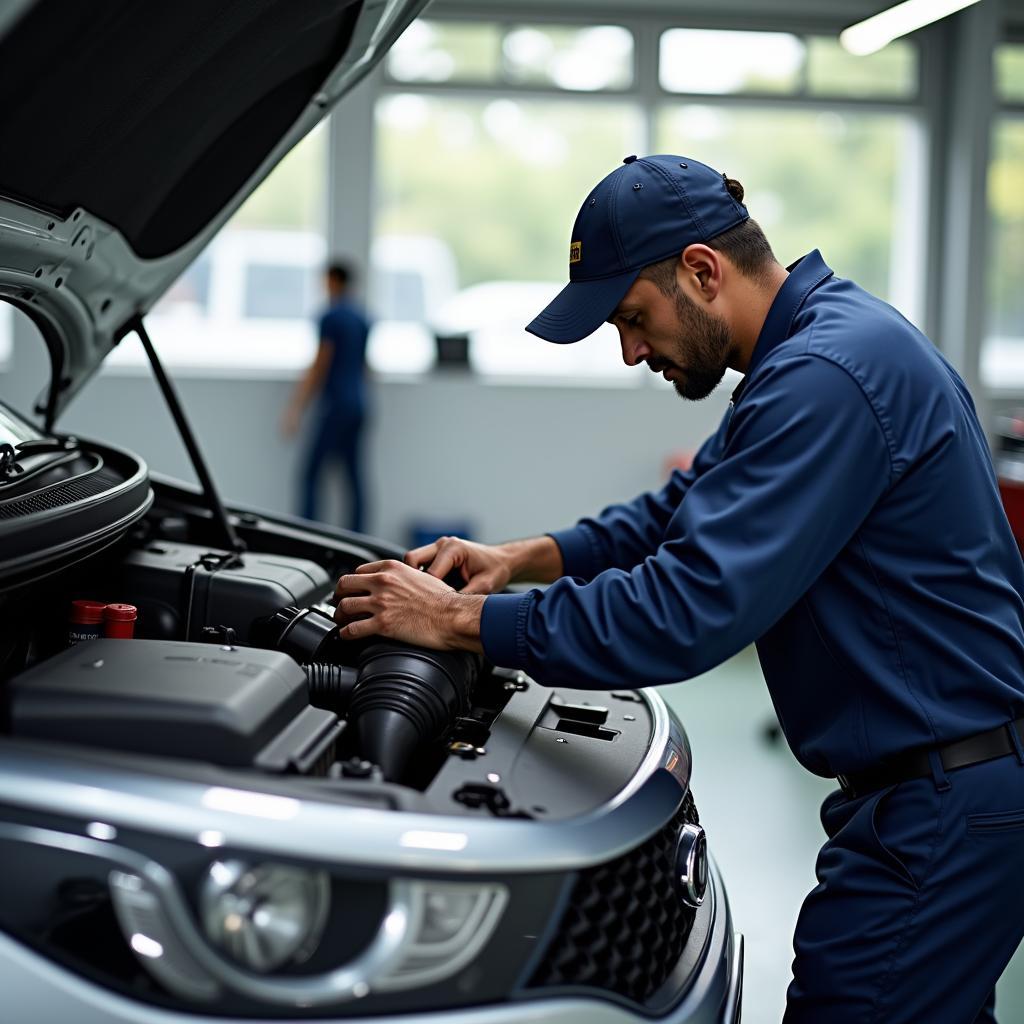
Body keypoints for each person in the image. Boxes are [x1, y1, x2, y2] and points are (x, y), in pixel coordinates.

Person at [332, 155, 1024, 1022]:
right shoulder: (814, 350)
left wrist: (462, 622)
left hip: (940, 808)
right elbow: (685, 508)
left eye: (632, 317)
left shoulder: (825, 377)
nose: (630, 351)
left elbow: (685, 610)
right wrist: (524, 556)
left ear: (701, 269)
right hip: (938, 792)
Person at [282, 260, 369, 531]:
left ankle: (306, 533)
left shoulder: (330, 317)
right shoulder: (362, 318)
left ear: (333, 281)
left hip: (336, 406)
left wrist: (296, 407)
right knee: (353, 477)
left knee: (310, 474)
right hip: (358, 404)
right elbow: (364, 366)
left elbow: (321, 364)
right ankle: (359, 536)